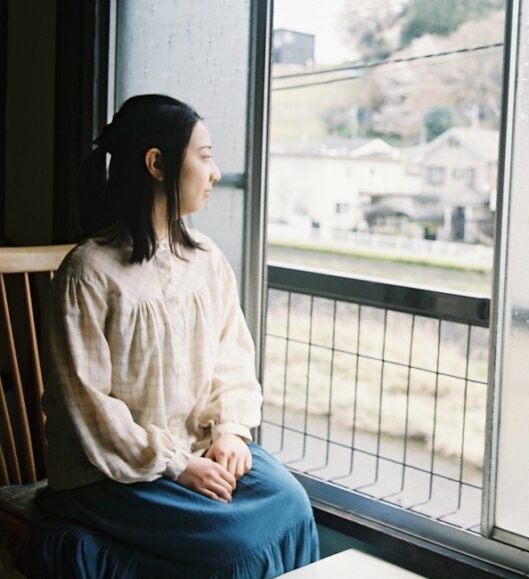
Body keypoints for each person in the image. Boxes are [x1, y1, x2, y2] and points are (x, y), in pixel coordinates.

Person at [23, 94, 320, 577]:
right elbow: (88, 407)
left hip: (194, 447)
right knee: (230, 543)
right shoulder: (90, 273)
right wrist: (175, 465)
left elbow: (232, 356)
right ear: (157, 164)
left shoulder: (205, 257)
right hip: (110, 472)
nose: (216, 173)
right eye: (204, 157)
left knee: (291, 505)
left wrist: (229, 432)